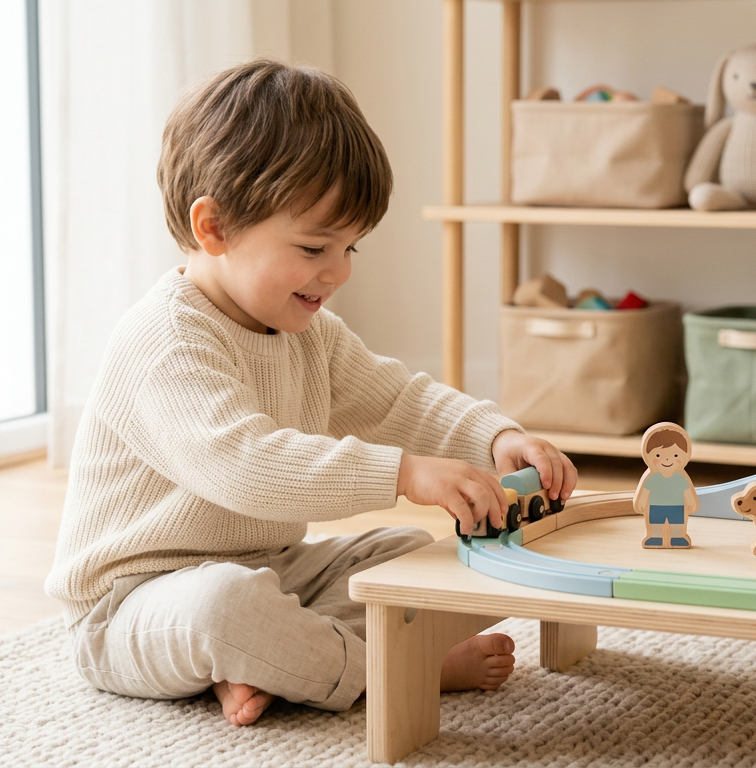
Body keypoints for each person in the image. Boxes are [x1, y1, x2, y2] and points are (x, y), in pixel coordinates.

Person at [44, 59, 578, 727]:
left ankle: (279, 662)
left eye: (352, 248)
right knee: (225, 610)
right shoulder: (165, 343)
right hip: (135, 605)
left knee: (454, 554)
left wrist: (496, 436)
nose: (337, 272)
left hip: (276, 568)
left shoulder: (309, 333)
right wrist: (404, 473)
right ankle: (389, 668)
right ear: (212, 229)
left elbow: (397, 400)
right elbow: (247, 466)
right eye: (313, 247)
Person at [633, 422, 698, 548]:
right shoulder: (651, 477)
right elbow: (645, 491)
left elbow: (687, 491)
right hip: (655, 506)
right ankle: (654, 538)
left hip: (677, 506)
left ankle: (678, 538)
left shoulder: (681, 477)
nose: (667, 459)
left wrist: (691, 502)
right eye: (658, 455)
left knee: (677, 523)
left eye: (675, 455)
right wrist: (641, 502)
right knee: (655, 523)